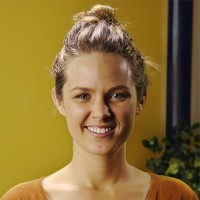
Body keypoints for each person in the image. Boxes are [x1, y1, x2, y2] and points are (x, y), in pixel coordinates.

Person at [1, 4, 198, 200]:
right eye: (83, 96)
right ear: (59, 100)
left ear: (140, 100)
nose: (101, 112)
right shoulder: (21, 198)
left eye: (116, 95)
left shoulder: (176, 196)